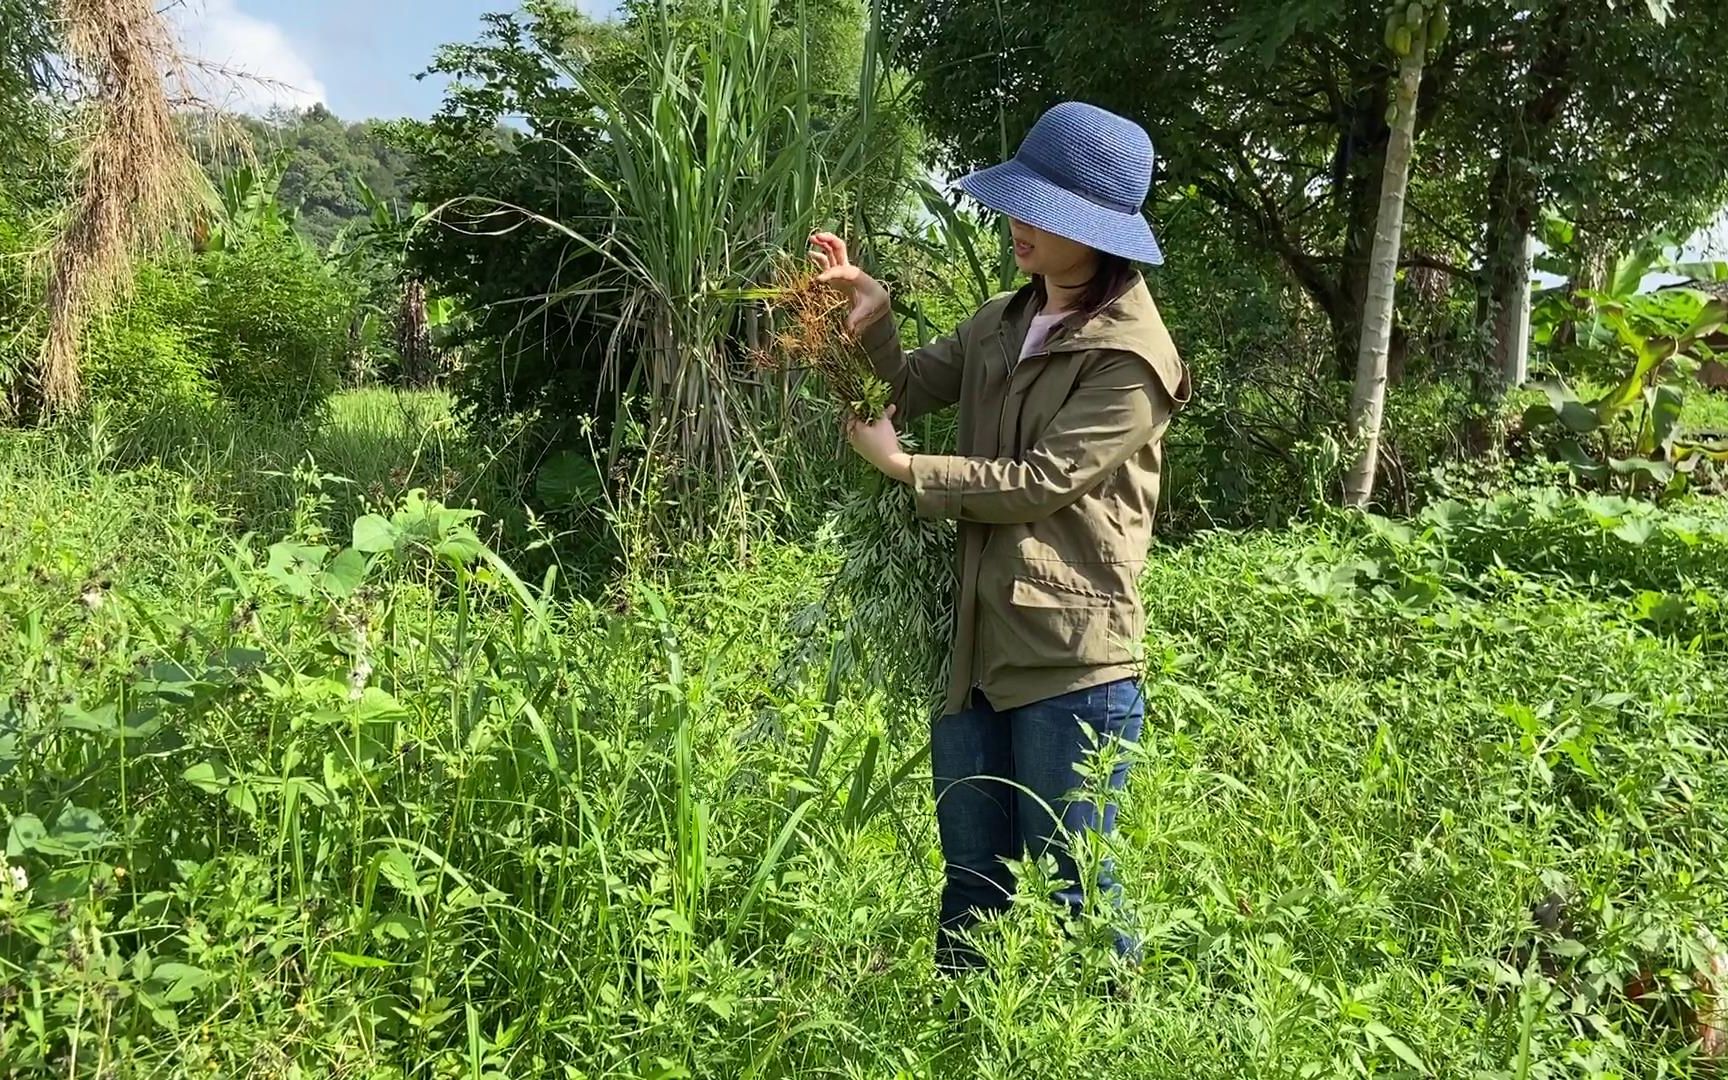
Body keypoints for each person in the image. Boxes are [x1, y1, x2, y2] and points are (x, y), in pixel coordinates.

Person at [809, 101, 1191, 972]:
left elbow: (1042, 483)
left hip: (1069, 660)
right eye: (1020, 200)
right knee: (973, 874)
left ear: (1094, 228)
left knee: (1075, 883)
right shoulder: (1003, 320)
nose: (1018, 220)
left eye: (1041, 207)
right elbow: (911, 382)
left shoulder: (1132, 361)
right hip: (978, 642)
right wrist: (874, 317)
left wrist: (908, 470)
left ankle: (1101, 1040)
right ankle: (961, 1029)